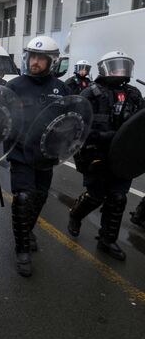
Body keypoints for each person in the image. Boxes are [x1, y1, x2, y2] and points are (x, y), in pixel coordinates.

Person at [67, 51, 144, 260]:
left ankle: (107, 240)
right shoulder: (91, 94)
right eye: (115, 66)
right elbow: (78, 126)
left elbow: (140, 125)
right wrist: (106, 136)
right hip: (96, 154)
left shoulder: (134, 94)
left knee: (118, 198)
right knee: (95, 196)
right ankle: (75, 215)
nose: (120, 70)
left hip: (123, 157)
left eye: (123, 66)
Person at [6, 36, 71, 277]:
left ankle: (27, 229)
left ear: (51, 62)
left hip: (47, 155)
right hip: (21, 154)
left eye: (40, 59)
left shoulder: (61, 89)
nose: (35, 62)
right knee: (23, 197)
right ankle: (22, 249)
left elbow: (71, 119)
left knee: (39, 197)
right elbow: (3, 117)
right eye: (32, 57)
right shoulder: (14, 86)